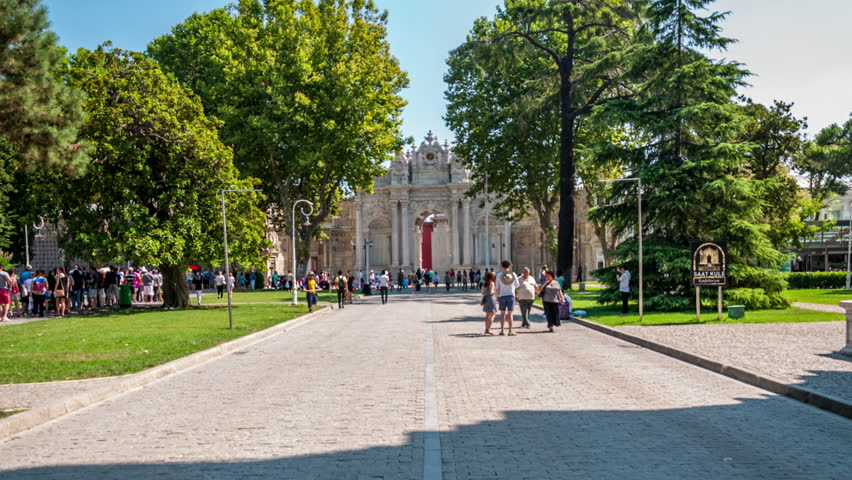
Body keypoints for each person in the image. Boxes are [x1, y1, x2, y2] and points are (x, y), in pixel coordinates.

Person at [495, 260, 520, 336]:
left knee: (502, 314)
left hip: (502, 296)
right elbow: (517, 285)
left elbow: (497, 287)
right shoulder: (513, 274)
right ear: (509, 266)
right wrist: (511, 287)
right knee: (510, 314)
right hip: (511, 295)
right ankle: (510, 331)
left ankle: (502, 331)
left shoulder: (499, 275)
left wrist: (497, 296)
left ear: (502, 266)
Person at [481, 271, 497, 335]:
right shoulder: (492, 283)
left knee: (487, 316)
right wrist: (497, 292)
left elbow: (482, 293)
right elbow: (491, 292)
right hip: (491, 299)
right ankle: (488, 329)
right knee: (493, 314)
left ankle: (486, 329)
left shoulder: (484, 284)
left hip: (485, 299)